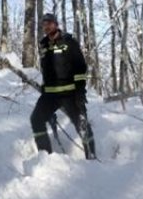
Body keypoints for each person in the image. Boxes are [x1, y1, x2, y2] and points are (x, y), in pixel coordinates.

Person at [29, 13, 96, 160]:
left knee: (82, 125)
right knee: (36, 119)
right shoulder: (43, 44)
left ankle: (92, 158)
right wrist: (45, 90)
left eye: (49, 23)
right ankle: (45, 158)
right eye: (44, 24)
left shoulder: (69, 42)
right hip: (50, 95)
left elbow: (80, 67)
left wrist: (80, 93)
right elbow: (48, 71)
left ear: (56, 24)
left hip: (70, 93)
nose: (46, 26)